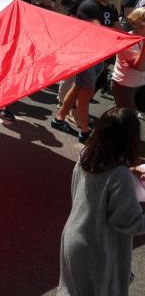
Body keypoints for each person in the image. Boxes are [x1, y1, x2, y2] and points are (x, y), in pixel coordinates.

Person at [57, 107, 145, 296]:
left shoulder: (86, 156)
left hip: (74, 237)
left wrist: (130, 173)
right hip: (98, 248)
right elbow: (128, 222)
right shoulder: (119, 175)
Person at [53, 0, 120, 142]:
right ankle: (84, 130)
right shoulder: (88, 5)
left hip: (100, 55)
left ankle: (59, 118)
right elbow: (102, 31)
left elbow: (117, 28)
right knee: (86, 92)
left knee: (78, 87)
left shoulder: (111, 7)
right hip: (86, 55)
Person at [111, 8, 145, 111]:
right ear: (139, 23)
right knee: (128, 118)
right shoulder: (127, 40)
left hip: (141, 84)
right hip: (125, 85)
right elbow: (140, 66)